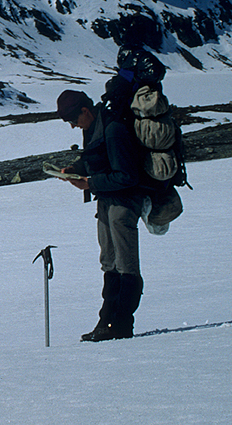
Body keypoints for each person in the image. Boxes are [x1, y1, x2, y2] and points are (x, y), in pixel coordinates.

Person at [56, 85, 145, 342]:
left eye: (74, 120)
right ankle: (106, 321)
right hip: (107, 201)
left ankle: (122, 324)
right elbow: (95, 159)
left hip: (124, 203)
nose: (74, 126)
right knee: (109, 261)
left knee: (125, 264)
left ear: (85, 110)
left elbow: (127, 175)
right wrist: (75, 168)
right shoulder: (94, 127)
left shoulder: (114, 130)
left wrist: (90, 183)